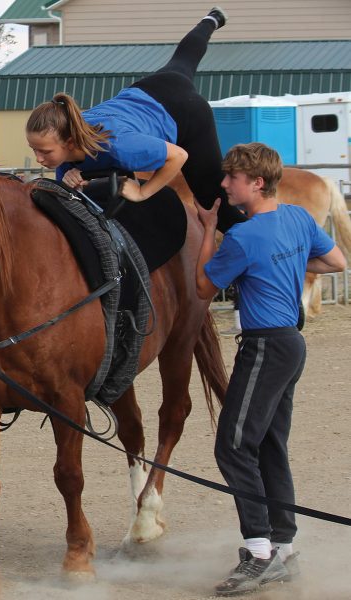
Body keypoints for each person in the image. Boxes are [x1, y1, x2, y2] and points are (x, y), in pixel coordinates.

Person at [194, 142, 346, 597]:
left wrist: (206, 230)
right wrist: (290, 265)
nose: (224, 184)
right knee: (269, 445)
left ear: (255, 183)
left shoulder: (242, 236)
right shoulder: (300, 218)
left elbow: (203, 285)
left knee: (234, 446)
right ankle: (283, 549)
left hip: (264, 347)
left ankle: (258, 553)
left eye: (232, 178)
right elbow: (337, 262)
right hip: (291, 344)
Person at [25, 7, 246, 233]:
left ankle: (268, 241)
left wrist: (142, 192)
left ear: (70, 142)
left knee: (215, 205)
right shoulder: (65, 131)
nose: (39, 159)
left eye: (45, 151)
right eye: (35, 149)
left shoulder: (118, 145)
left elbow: (178, 156)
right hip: (151, 89)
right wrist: (76, 183)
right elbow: (75, 202)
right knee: (184, 59)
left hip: (185, 113)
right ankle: (211, 20)